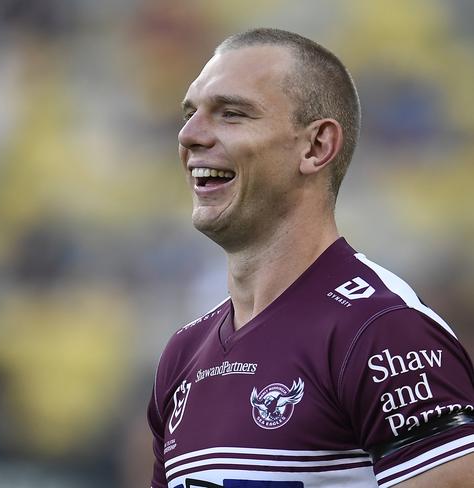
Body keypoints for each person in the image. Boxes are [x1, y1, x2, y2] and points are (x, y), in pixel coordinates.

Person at [147, 28, 474, 488]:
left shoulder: (382, 331)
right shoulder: (183, 355)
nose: (190, 135)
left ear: (316, 146)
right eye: (190, 114)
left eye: (232, 113)